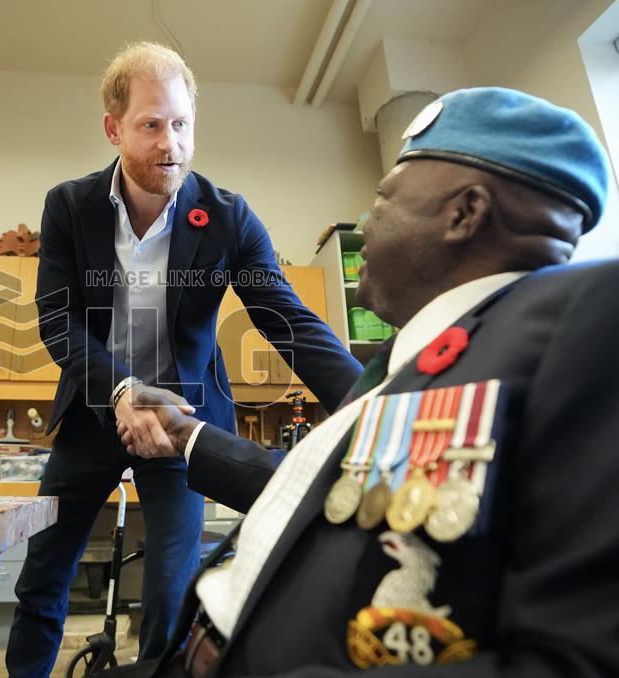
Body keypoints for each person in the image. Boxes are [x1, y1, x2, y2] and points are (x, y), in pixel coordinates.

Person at [116, 87, 619, 676]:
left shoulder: (589, 322)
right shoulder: (418, 358)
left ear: (464, 214)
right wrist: (188, 435)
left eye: (383, 197)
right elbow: (331, 500)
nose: (364, 220)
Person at [6, 42, 362, 676]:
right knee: (42, 577)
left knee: (174, 588)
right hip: (95, 412)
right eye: (150, 125)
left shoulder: (228, 218)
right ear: (113, 129)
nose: (169, 143)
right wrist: (121, 393)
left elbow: (288, 323)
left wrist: (376, 405)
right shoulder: (69, 206)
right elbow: (58, 320)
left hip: (181, 420)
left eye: (181, 123)